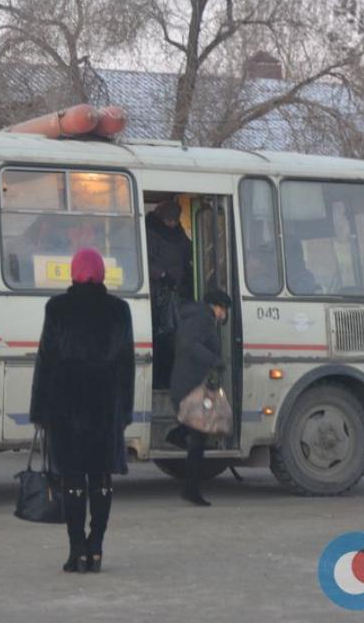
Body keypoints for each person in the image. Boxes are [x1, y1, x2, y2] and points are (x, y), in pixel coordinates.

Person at [29, 248, 136, 573]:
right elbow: (126, 364)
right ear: (101, 273)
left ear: (73, 273)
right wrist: (125, 411)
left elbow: (45, 360)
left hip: (66, 403)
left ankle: (76, 550)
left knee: (72, 480)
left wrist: (39, 409)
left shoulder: (57, 308)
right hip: (105, 404)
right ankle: (97, 548)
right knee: (101, 479)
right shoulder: (119, 310)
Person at [169, 288, 232, 506]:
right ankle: (191, 490)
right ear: (218, 307)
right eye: (225, 310)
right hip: (191, 387)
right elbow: (189, 344)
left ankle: (191, 487)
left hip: (187, 385)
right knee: (198, 441)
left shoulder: (197, 316)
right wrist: (214, 360)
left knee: (197, 437)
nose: (224, 316)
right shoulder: (202, 320)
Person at [146, 199, 193, 387]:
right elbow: (145, 262)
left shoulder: (178, 232)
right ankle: (161, 381)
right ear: (162, 217)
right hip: (159, 295)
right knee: (163, 338)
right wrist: (163, 275)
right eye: (171, 220)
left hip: (176, 293)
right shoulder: (150, 233)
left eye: (176, 219)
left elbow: (188, 250)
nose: (174, 223)